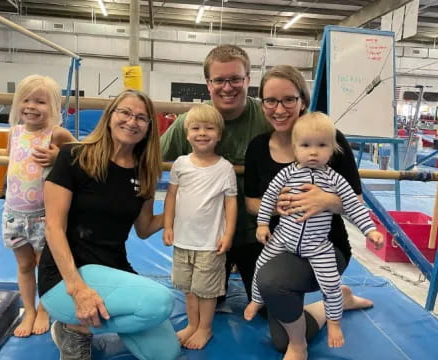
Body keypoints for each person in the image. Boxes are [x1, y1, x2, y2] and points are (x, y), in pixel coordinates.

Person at [244, 65, 378, 360]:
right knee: (277, 325)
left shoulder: (331, 139)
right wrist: (274, 207)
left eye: (288, 100)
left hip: (324, 245)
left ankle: (299, 345)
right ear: (262, 103)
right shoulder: (257, 148)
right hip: (284, 241)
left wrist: (325, 201)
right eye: (271, 101)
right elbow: (253, 202)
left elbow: (354, 200)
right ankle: (339, 300)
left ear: (302, 101)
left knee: (272, 284)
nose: (279, 109)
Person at [37, 89, 181, 360]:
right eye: (125, 112)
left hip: (113, 269)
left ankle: (80, 327)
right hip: (66, 277)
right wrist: (77, 288)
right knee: (160, 302)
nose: (132, 121)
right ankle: (73, 328)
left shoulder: (145, 171)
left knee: (166, 354)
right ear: (110, 116)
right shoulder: (73, 157)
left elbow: (145, 227)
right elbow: (53, 228)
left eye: (141, 117)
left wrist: (183, 209)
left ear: (149, 127)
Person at [0, 74, 75, 337]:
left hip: (44, 216)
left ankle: (44, 309)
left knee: (45, 266)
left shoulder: (56, 133)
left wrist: (58, 155)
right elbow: (9, 156)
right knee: (24, 266)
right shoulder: (16, 131)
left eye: (40, 102)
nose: (31, 106)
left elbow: (80, 154)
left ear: (54, 107)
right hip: (14, 214)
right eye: (26, 100)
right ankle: (30, 310)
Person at [160, 44, 271, 305]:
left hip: (255, 232)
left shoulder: (266, 120)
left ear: (248, 80)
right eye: (219, 80)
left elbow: (310, 140)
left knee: (271, 308)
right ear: (208, 84)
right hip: (208, 240)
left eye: (235, 79)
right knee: (208, 299)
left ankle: (338, 299)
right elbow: (149, 157)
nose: (228, 87)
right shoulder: (192, 122)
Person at [163, 104, 238, 349]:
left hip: (209, 243)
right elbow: (171, 197)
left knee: (207, 291)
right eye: (196, 128)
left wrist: (228, 234)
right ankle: (192, 325)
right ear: (187, 134)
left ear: (219, 134)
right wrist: (167, 226)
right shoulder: (181, 164)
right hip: (183, 241)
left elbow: (230, 203)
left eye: (209, 128)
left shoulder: (224, 168)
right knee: (189, 289)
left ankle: (204, 328)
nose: (202, 133)